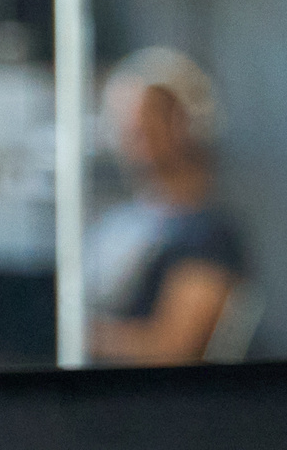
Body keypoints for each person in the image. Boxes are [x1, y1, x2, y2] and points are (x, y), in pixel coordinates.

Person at [84, 47, 249, 363]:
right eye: (124, 119)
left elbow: (174, 348)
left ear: (184, 121)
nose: (133, 129)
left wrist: (75, 334)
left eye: (150, 115)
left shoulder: (208, 234)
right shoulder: (119, 222)